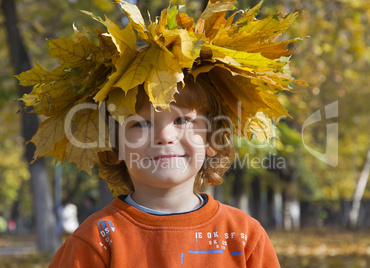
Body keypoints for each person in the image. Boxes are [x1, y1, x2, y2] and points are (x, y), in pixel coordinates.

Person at [18, 1, 304, 266]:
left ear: (212, 137)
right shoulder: (96, 240)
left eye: (182, 120)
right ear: (113, 144)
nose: (165, 136)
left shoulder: (242, 236)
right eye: (140, 124)